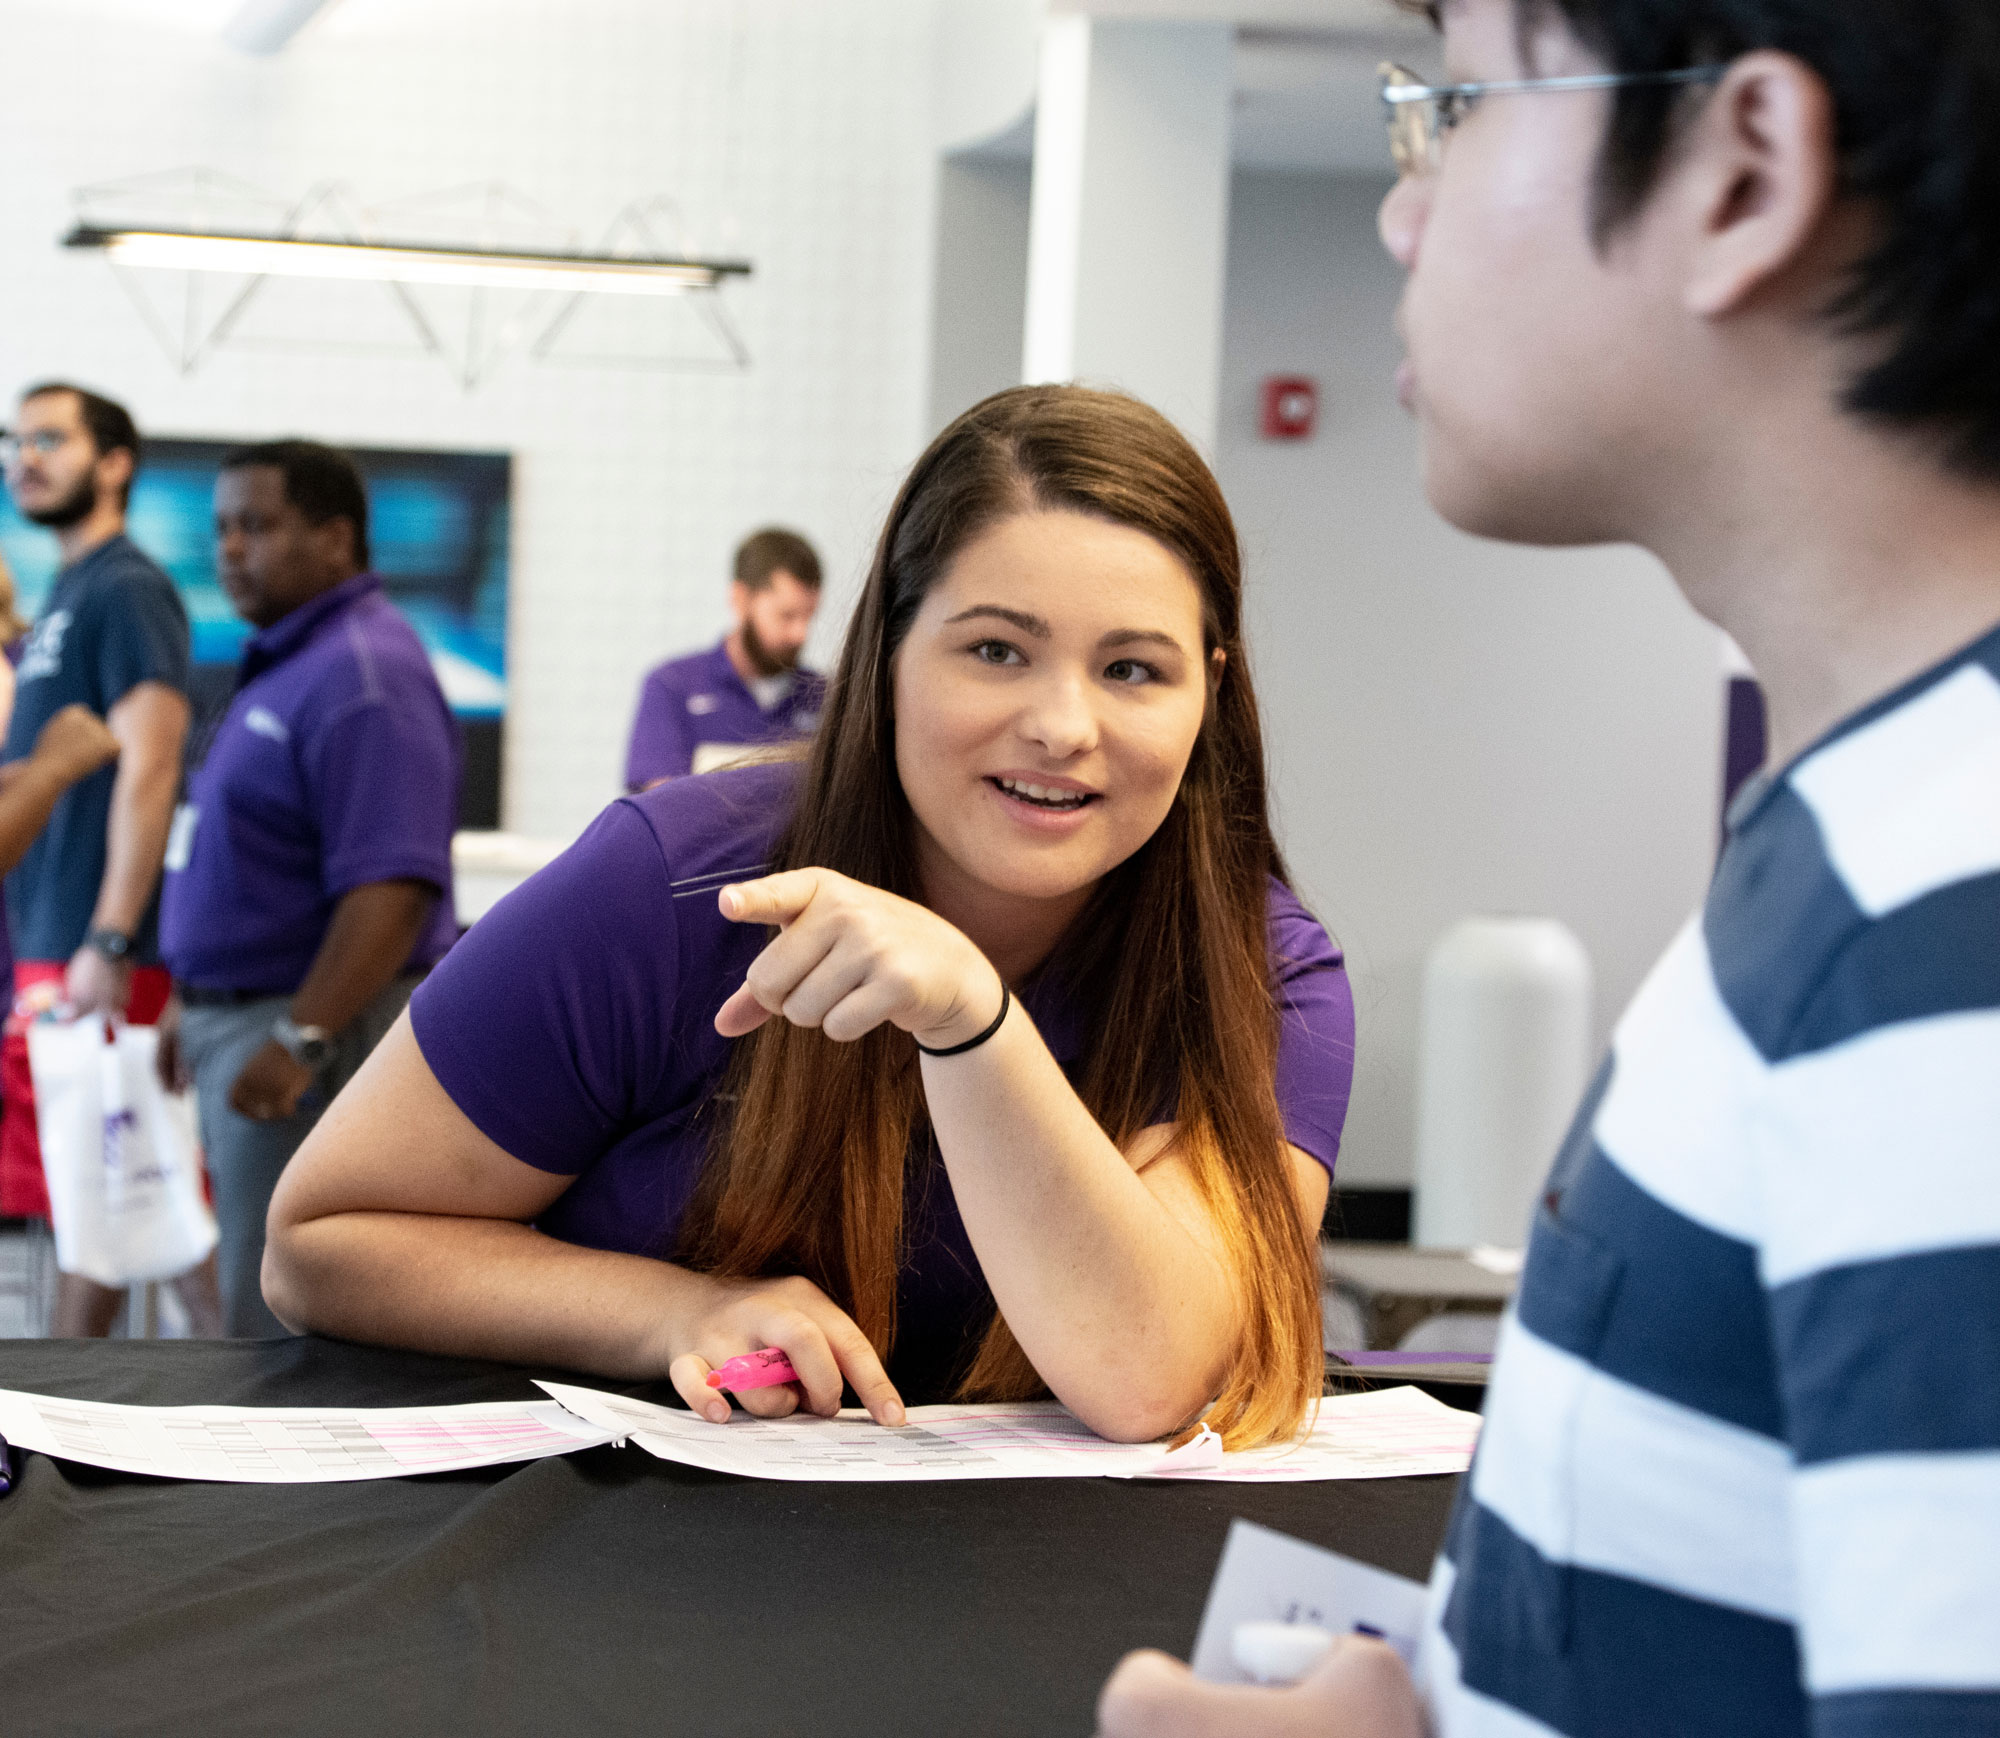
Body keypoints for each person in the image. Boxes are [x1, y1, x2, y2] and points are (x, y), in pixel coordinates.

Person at [1096, 0, 2000, 1734]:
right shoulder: (1866, 838)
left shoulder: (1950, 925)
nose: (1399, 206)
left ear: (1742, 174)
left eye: (1459, 108)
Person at [265, 385, 1356, 1448]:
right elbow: (319, 1243)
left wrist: (973, 1021)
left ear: (1208, 689)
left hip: (1034, 1594)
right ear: (883, 652)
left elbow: (1145, 1372)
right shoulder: (676, 883)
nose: (1063, 725)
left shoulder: (1261, 976)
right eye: (995, 650)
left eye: (1132, 669)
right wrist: (673, 1310)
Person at [155, 441, 461, 1338]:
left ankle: (283, 1479)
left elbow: (393, 888)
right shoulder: (294, 662)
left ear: (336, 540)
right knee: (255, 1297)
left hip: (305, 1035)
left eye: (258, 526)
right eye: (221, 529)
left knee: (280, 1315)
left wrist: (301, 1037)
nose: (231, 551)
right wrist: (195, 994)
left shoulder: (365, 675)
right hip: (245, 1018)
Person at [0, 382, 214, 1338]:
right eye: (15, 440)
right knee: (102, 1191)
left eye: (51, 438)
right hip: (54, 935)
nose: (25, 457)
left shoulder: (126, 586)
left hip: (99, 943)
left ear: (115, 461)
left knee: (136, 1190)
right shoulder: (66, 592)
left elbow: (152, 761)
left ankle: (239, 1390)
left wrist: (112, 934)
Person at [623, 526, 828, 789]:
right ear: (741, 600)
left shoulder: (826, 696)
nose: (800, 634)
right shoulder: (673, 686)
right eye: (786, 616)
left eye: (809, 616)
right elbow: (659, 805)